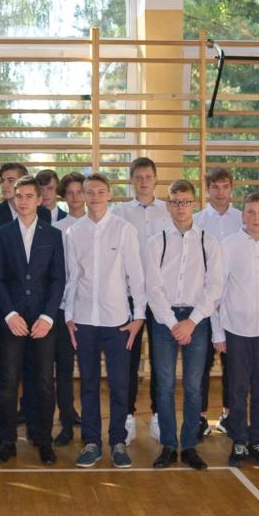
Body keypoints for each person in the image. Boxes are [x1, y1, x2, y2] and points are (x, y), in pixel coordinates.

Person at [63, 173, 146, 469]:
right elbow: (72, 276)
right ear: (83, 196)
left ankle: (118, 442)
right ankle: (92, 443)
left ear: (109, 194)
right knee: (88, 385)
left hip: (118, 322)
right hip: (84, 321)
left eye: (100, 191)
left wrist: (139, 316)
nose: (95, 196)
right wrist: (68, 315)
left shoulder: (124, 230)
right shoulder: (73, 232)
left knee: (120, 385)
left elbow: (136, 276)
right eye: (89, 192)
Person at [144, 180, 223, 470]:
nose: (181, 207)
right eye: (175, 201)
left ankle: (189, 444)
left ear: (195, 204)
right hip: (163, 318)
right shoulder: (155, 242)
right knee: (164, 384)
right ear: (168, 205)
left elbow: (215, 286)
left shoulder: (208, 242)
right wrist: (172, 322)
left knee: (193, 384)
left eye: (186, 201)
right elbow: (152, 288)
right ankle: (168, 444)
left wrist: (191, 321)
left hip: (197, 319)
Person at [0, 175, 65, 466]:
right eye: (18, 196)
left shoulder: (53, 235)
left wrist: (47, 316)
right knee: (7, 381)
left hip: (43, 321)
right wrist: (9, 314)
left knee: (44, 383)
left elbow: (58, 279)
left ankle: (43, 439)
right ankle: (7, 439)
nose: (22, 201)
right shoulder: (1, 234)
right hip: (11, 320)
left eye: (29, 196)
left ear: (39, 199)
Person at [213, 192, 259, 468]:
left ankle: (258, 441)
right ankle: (240, 441)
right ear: (242, 215)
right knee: (237, 388)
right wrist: (218, 333)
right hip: (236, 330)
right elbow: (217, 292)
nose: (256, 217)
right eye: (251, 212)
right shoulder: (228, 245)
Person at [113, 156, 172, 445]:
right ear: (131, 180)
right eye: (138, 177)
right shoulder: (119, 213)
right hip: (129, 296)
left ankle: (159, 415)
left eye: (148, 176)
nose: (144, 181)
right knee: (128, 358)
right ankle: (127, 416)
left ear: (156, 179)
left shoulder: (169, 211)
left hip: (162, 296)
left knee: (161, 359)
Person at [193, 167, 243, 437]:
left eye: (225, 186)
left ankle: (229, 415)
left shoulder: (242, 218)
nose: (220, 192)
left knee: (233, 365)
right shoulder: (197, 220)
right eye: (215, 187)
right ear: (207, 189)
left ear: (231, 188)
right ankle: (200, 417)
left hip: (235, 302)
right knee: (201, 364)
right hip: (203, 303)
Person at [51, 171, 85, 445]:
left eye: (79, 191)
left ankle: (90, 423)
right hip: (63, 309)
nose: (75, 197)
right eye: (70, 192)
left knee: (88, 371)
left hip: (92, 311)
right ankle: (66, 420)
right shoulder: (57, 229)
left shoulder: (99, 225)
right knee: (63, 369)